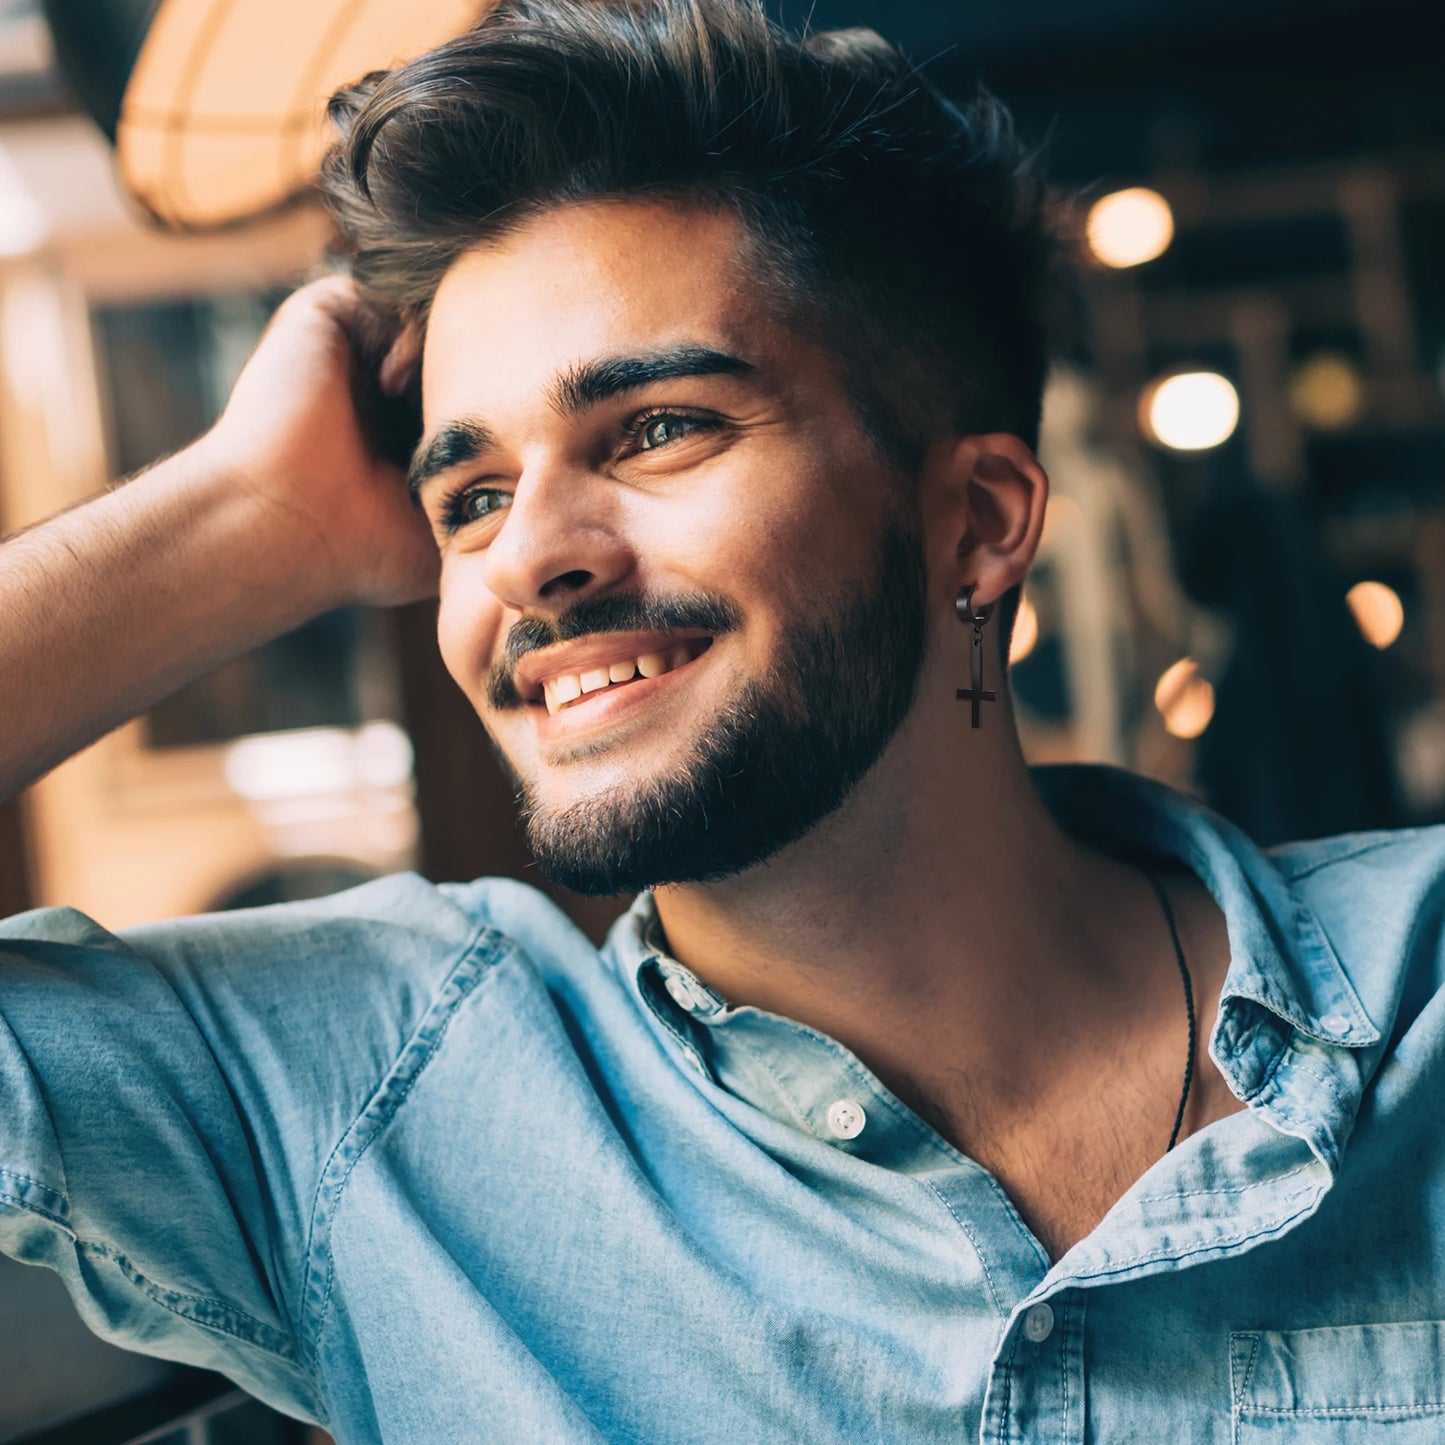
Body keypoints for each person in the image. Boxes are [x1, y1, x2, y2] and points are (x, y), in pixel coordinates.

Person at [2, 2, 1442, 1440]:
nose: (526, 557)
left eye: (655, 428)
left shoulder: (1419, 996)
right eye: (470, 496)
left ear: (977, 523)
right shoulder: (360, 1097)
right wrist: (249, 518)